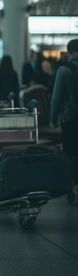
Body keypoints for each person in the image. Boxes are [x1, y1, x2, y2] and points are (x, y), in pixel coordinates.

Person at [50, 39, 78, 183]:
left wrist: (53, 119)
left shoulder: (63, 70)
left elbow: (57, 98)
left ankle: (72, 182)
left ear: (68, 53)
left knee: (70, 152)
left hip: (70, 117)